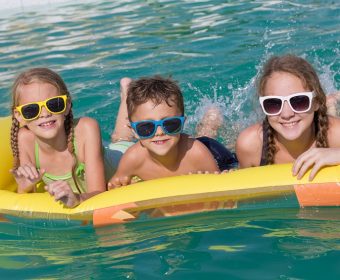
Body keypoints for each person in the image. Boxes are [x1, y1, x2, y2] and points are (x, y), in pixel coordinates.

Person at [108, 76, 236, 188]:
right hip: (184, 145)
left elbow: (219, 189)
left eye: (170, 124)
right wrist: (116, 185)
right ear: (134, 131)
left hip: (213, 152)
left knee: (208, 138)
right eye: (146, 127)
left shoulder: (198, 153)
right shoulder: (132, 159)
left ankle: (211, 120)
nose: (159, 132)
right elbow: (115, 185)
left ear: (182, 123)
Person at [10, 68, 106, 208]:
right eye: (31, 110)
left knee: (121, 140)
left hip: (114, 161)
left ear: (66, 106)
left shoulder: (86, 128)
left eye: (54, 104)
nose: (44, 114)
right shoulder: (25, 139)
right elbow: (27, 205)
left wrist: (78, 199)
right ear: (19, 116)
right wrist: (25, 188)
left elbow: (100, 194)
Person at [236, 54, 340, 181]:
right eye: (273, 103)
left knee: (331, 116)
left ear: (316, 101)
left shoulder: (335, 134)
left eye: (299, 101)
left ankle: (330, 104)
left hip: (325, 123)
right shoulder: (250, 145)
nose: (287, 114)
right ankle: (210, 126)